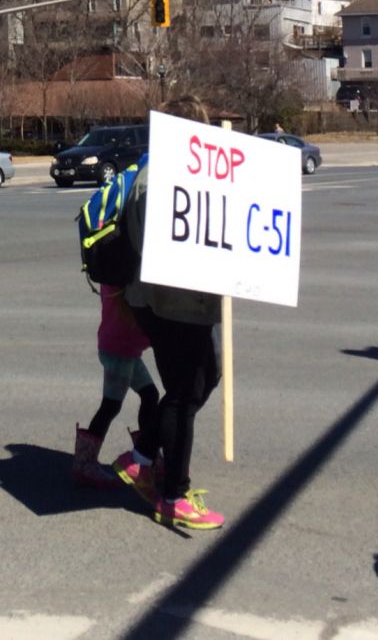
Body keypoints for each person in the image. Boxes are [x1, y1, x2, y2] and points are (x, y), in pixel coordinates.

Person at [113, 96, 224, 530]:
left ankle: (140, 458)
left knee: (202, 382)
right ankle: (173, 493)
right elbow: (162, 249)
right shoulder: (160, 180)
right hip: (174, 304)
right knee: (183, 395)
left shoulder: (171, 175)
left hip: (175, 304)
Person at [72, 283, 159, 493]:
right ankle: (85, 463)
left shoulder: (117, 270)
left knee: (149, 395)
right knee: (111, 406)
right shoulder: (123, 276)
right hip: (120, 350)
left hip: (122, 348)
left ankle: (147, 455)